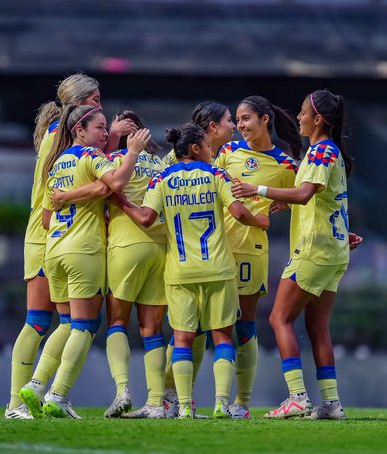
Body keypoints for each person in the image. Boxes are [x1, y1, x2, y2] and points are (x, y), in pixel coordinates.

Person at [114, 123, 269, 419]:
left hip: (180, 272)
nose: (213, 151)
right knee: (223, 337)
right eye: (208, 147)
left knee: (183, 339)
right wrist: (258, 222)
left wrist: (121, 201)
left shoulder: (162, 178)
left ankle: (185, 406)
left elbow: (146, 218)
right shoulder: (216, 175)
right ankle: (222, 404)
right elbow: (237, 212)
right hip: (218, 270)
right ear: (196, 148)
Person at [9, 73, 138, 420]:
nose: (99, 104)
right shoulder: (64, 140)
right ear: (76, 105)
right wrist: (116, 142)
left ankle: (39, 394)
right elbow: (99, 181)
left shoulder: (58, 139)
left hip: (51, 234)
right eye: (94, 100)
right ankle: (22, 401)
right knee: (45, 322)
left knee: (62, 322)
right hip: (52, 235)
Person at [232, 89, 360, 420]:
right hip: (333, 250)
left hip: (314, 250)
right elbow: (324, 201)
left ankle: (298, 397)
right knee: (317, 326)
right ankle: (331, 403)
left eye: (303, 112)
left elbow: (305, 195)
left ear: (319, 119)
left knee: (279, 318)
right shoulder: (327, 154)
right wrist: (341, 233)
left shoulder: (320, 153)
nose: (299, 117)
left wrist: (256, 189)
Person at [51, 110, 168, 419]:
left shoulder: (112, 161)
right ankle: (156, 402)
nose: (105, 133)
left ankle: (123, 390)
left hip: (125, 246)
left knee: (116, 322)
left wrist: (63, 197)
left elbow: (106, 189)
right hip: (161, 248)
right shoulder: (160, 165)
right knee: (152, 329)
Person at [214, 95, 302, 419]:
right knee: (210, 324)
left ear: (265, 119)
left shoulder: (284, 164)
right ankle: (188, 400)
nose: (240, 125)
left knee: (244, 325)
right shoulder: (226, 153)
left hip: (251, 250)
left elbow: (302, 198)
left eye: (246, 118)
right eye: (237, 120)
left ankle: (242, 402)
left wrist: (284, 203)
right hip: (217, 249)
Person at [160, 101, 236, 418]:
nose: (234, 126)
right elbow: (237, 209)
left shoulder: (169, 172)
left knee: (188, 335)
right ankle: (168, 397)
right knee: (215, 334)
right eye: (231, 120)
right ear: (210, 132)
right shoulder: (213, 170)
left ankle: (180, 402)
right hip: (212, 261)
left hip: (181, 264)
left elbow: (150, 212)